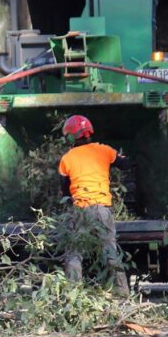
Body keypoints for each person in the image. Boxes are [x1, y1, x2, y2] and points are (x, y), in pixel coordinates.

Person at [57, 114, 130, 296]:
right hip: (102, 210)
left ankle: (74, 295)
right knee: (110, 251)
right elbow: (126, 164)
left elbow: (65, 191)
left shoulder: (67, 158)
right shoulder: (104, 150)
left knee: (74, 253)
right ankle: (122, 293)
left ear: (71, 137)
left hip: (80, 211)